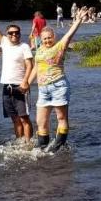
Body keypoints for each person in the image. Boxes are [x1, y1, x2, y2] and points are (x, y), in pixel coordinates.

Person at [32, 10, 89, 152]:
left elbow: (70, 34)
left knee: (61, 117)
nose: (47, 41)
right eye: (44, 38)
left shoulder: (60, 46)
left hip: (58, 86)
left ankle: (56, 148)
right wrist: (26, 82)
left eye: (49, 38)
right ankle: (41, 148)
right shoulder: (39, 50)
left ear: (54, 37)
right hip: (43, 89)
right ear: (41, 39)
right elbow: (37, 67)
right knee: (40, 121)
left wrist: (79, 20)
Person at [0, 0, 35, 142]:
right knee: (14, 119)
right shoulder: (4, 43)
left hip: (20, 87)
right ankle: (20, 141)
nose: (14, 35)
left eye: (17, 33)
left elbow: (30, 65)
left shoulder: (24, 46)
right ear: (7, 35)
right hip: (6, 88)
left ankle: (28, 143)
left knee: (24, 118)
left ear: (20, 34)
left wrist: (25, 82)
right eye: (11, 33)